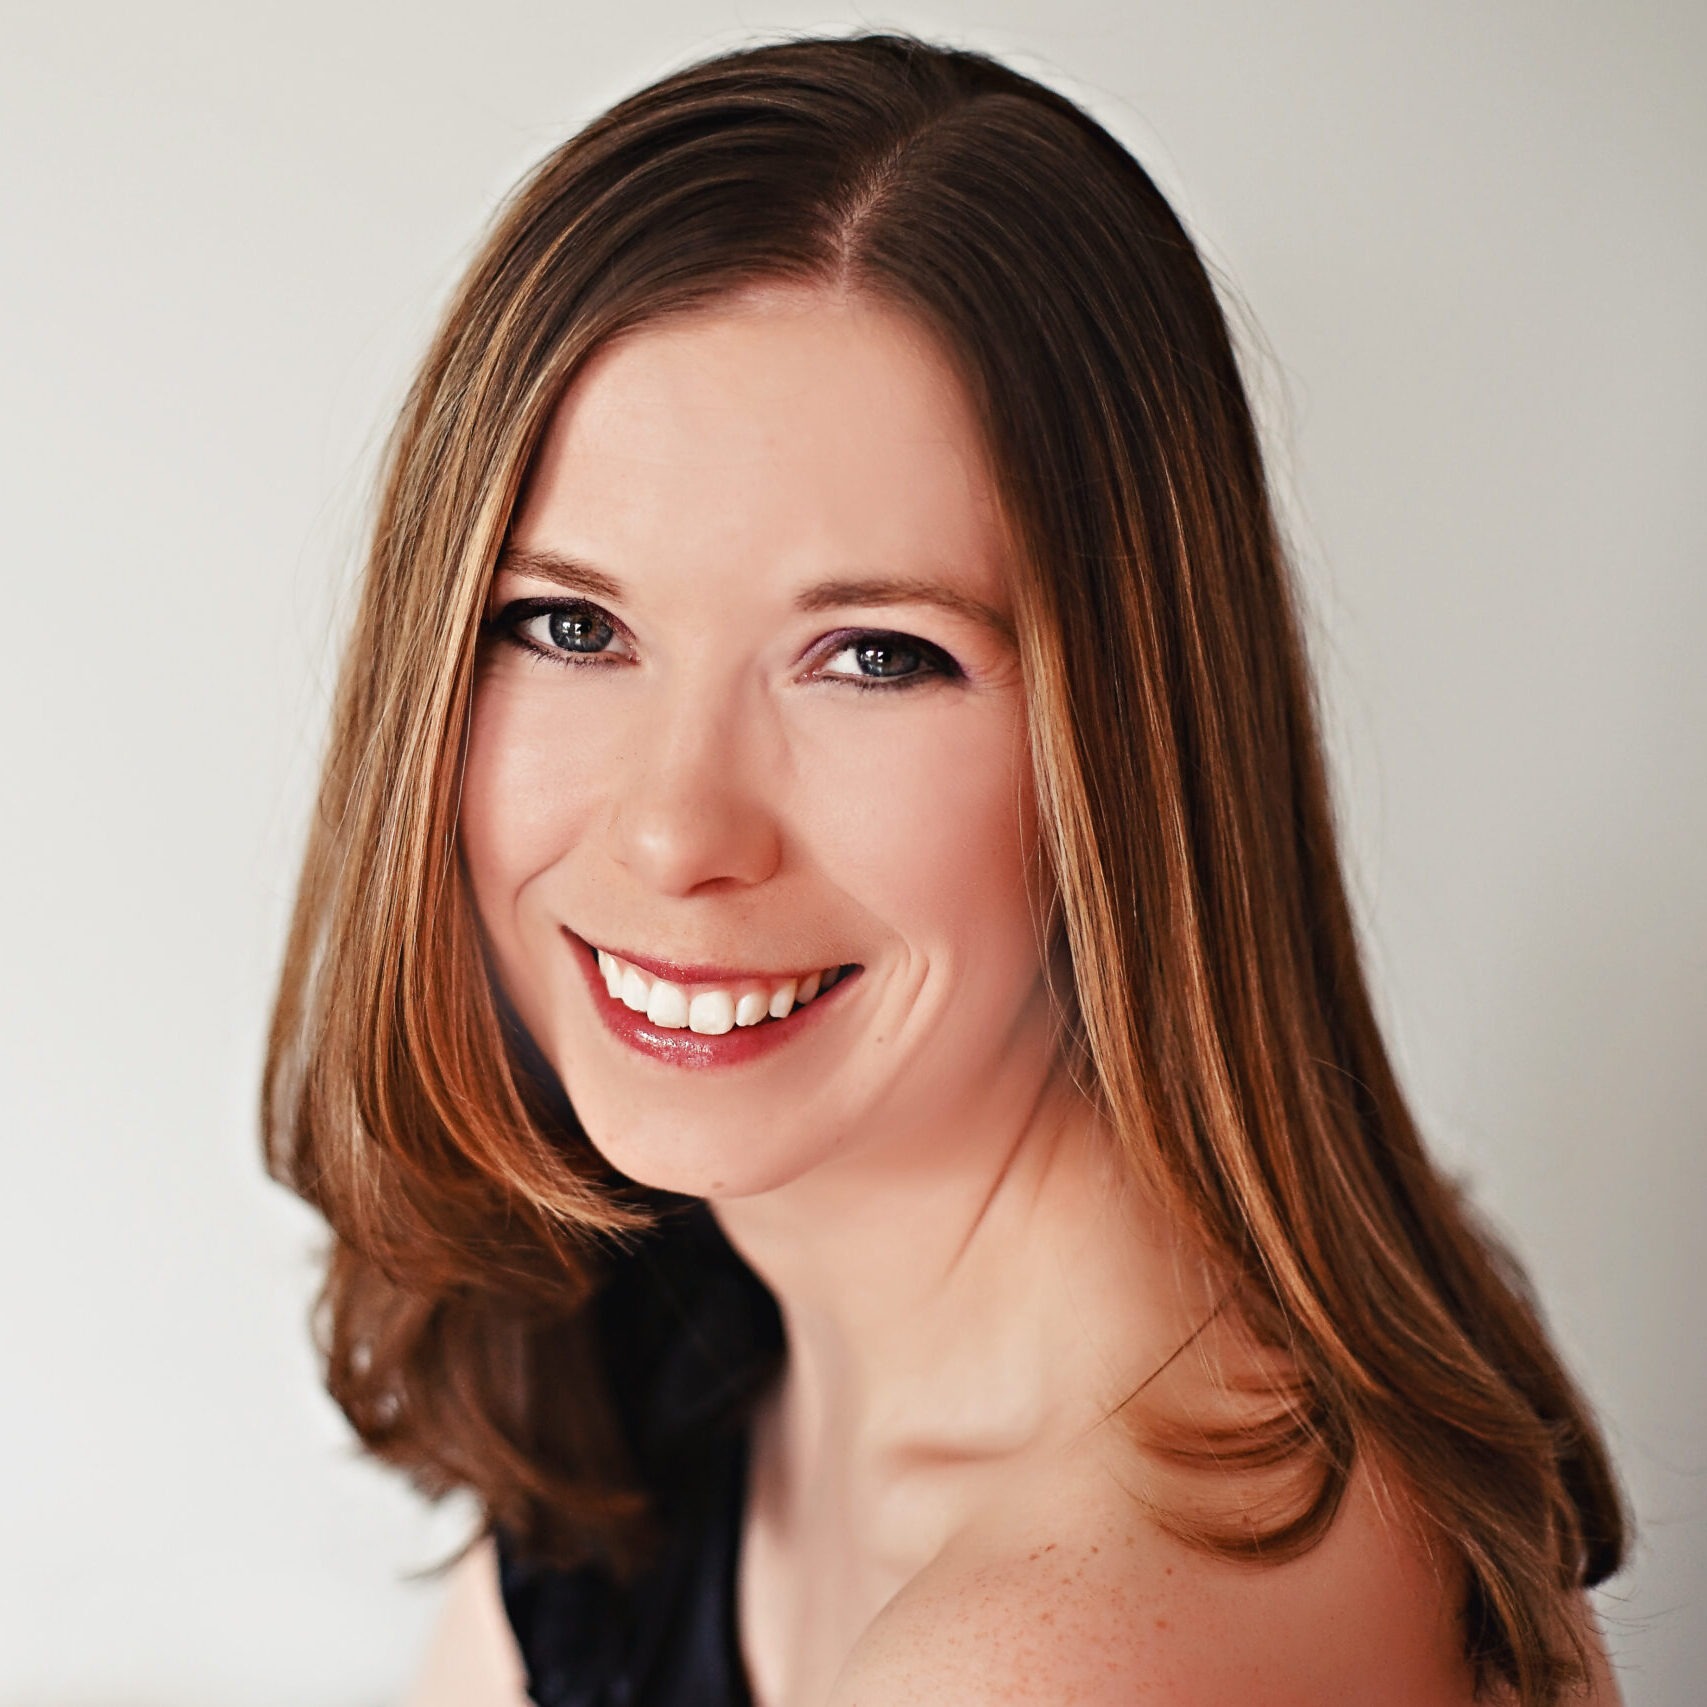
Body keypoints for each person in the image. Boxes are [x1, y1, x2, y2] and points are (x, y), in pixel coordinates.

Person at [262, 32, 1626, 1707]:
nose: (679, 831)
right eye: (568, 625)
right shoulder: (674, 1348)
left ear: (1125, 753)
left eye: (877, 658)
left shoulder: (1067, 1647)